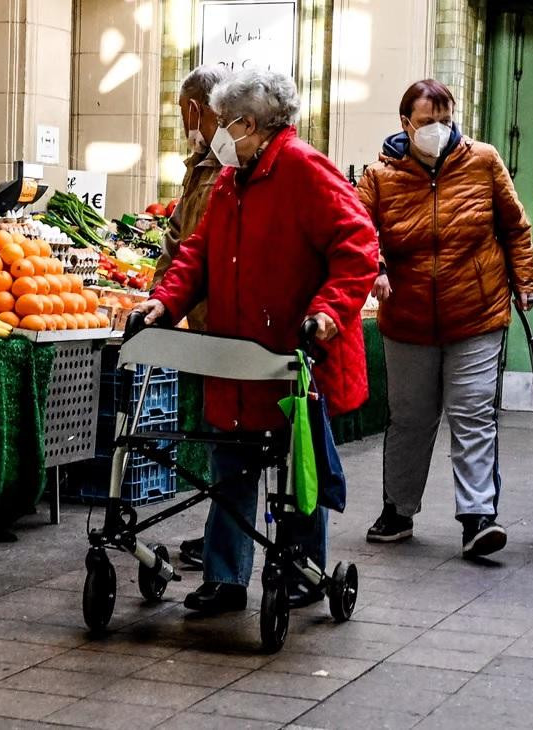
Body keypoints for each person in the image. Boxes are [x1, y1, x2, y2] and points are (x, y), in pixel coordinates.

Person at [136, 69, 378, 614]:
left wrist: (327, 315)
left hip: (291, 354)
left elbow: (358, 246)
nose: (215, 133)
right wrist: (166, 300)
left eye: (223, 123)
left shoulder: (304, 169)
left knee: (297, 472)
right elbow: (198, 251)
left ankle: (301, 570)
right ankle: (226, 578)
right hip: (234, 354)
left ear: (249, 124)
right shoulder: (231, 178)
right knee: (230, 468)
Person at [356, 79, 533, 557]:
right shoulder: (380, 176)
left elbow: (515, 227)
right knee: (411, 418)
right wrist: (376, 267)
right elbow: (357, 230)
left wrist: (525, 284)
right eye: (426, 122)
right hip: (409, 318)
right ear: (404, 124)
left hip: (477, 312)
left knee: (473, 414)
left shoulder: (483, 160)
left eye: (445, 121)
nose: (437, 130)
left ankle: (478, 518)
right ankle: (398, 510)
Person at [151, 65, 231, 570]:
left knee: (232, 439)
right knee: (218, 434)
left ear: (197, 108)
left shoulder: (235, 164)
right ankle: (221, 535)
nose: (186, 123)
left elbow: (198, 248)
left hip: (234, 323)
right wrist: (161, 296)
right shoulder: (199, 165)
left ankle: (228, 540)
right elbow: (183, 240)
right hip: (202, 318)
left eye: (185, 113)